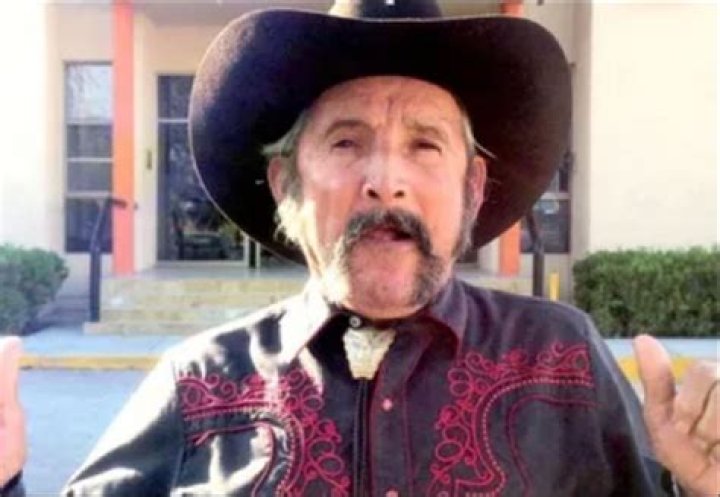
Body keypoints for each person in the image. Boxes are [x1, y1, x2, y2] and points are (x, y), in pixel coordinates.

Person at [1, 1, 718, 495]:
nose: (385, 181)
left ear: (471, 187)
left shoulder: (564, 357)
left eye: (425, 145)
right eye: (346, 142)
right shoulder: (197, 382)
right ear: (286, 183)